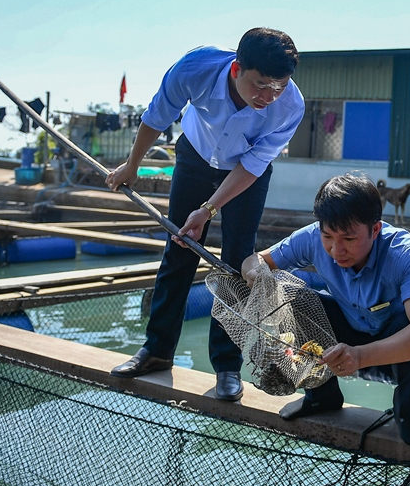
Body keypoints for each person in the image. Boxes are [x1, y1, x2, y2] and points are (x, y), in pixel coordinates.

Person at [108, 28, 305, 404]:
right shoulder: (195, 67)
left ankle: (227, 368)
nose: (267, 97)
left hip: (246, 174)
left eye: (277, 88)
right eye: (260, 85)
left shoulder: (290, 105)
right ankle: (157, 350)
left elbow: (253, 164)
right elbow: (157, 115)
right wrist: (133, 165)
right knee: (179, 249)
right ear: (236, 69)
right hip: (196, 156)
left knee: (236, 262)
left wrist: (209, 209)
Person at [240, 173, 410, 445]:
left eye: (349, 239)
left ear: (375, 229)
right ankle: (321, 396)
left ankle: (406, 408)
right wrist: (254, 273)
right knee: (297, 299)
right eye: (328, 236)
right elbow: (255, 260)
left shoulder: (403, 252)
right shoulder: (312, 238)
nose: (336, 249)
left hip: (394, 353)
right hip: (342, 344)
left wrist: (360, 356)